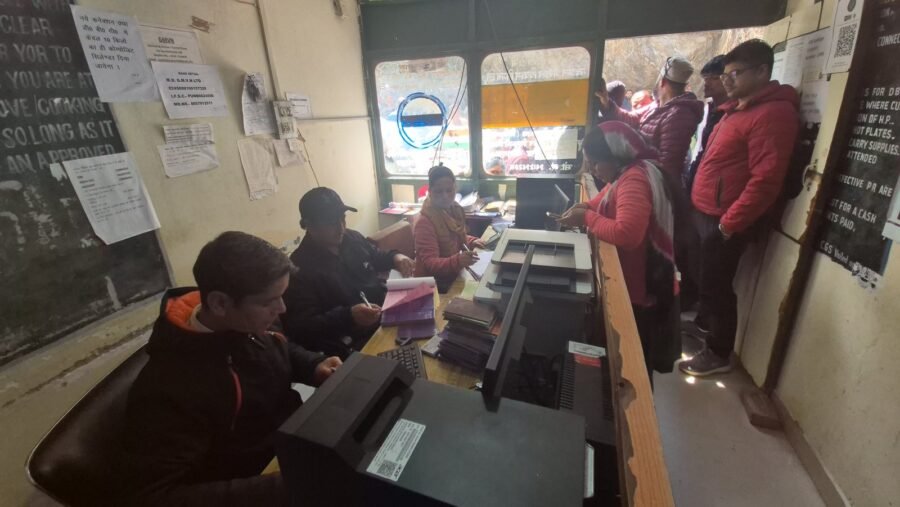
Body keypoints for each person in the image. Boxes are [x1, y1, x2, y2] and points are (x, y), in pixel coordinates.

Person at [119, 231, 343, 506]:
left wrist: (313, 365)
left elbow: (276, 346)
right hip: (258, 482)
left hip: (297, 440)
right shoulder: (169, 388)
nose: (282, 308)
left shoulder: (248, 321)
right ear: (220, 303)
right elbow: (153, 496)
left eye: (281, 296)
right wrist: (284, 487)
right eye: (269, 301)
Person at [679, 39, 799, 376]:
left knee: (716, 286)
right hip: (704, 211)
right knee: (702, 278)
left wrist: (728, 224)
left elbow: (765, 181)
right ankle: (706, 330)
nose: (727, 80)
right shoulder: (737, 109)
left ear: (762, 71)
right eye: (725, 74)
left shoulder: (773, 114)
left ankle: (718, 353)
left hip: (723, 219)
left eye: (736, 73)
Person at [557, 122, 680, 377]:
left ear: (615, 156)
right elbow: (599, 201)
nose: (593, 170)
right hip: (636, 284)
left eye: (596, 163)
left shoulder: (634, 179)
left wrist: (586, 219)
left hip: (641, 291)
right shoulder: (623, 174)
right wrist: (583, 208)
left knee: (634, 367)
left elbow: (627, 234)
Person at [282, 187, 415, 358]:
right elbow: (303, 327)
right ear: (309, 226)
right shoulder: (299, 268)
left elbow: (376, 256)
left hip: (385, 317)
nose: (341, 228)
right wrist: (348, 316)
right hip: (351, 342)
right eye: (331, 223)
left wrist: (396, 257)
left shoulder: (352, 238)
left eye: (343, 218)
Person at [680, 55, 728, 314]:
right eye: (706, 79)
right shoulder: (714, 110)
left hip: (720, 210)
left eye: (714, 79)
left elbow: (763, 178)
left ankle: (711, 331)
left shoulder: (735, 114)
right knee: (693, 260)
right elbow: (703, 153)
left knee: (714, 279)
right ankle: (695, 309)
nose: (707, 84)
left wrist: (731, 221)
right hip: (699, 197)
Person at [414, 165, 485, 287]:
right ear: (430, 191)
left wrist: (472, 241)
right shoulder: (424, 223)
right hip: (434, 285)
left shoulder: (454, 209)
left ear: (455, 189)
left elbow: (454, 237)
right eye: (439, 191)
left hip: (452, 275)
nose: (445, 196)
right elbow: (431, 264)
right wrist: (458, 260)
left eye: (449, 190)